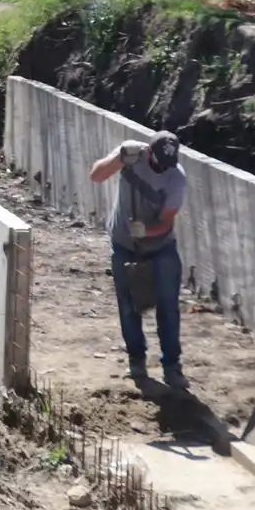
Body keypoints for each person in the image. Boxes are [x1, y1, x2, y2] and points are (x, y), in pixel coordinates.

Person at [89, 131, 188, 387]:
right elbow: (96, 176)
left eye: (167, 164)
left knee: (168, 307)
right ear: (149, 152)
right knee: (128, 306)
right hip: (124, 245)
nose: (163, 169)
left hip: (160, 247)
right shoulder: (132, 154)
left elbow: (166, 221)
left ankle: (172, 366)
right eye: (158, 163)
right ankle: (136, 362)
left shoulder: (176, 178)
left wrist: (146, 231)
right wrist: (119, 159)